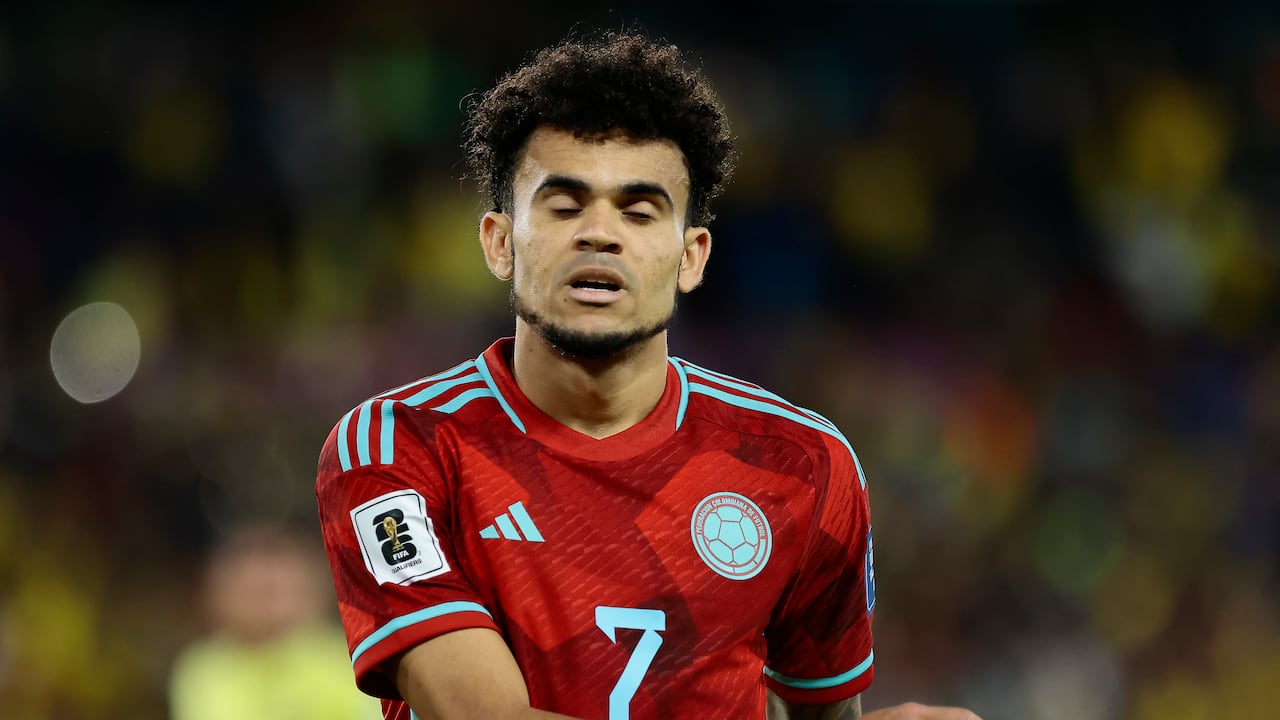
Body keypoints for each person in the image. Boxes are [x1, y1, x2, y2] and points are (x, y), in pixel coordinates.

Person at [315, 32, 981, 720]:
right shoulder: (399, 448)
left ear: (691, 258)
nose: (600, 233)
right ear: (498, 242)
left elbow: (821, 713)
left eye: (639, 211)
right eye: (564, 204)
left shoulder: (804, 464)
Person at [169, 526, 381, 720]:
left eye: (272, 592)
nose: (263, 608)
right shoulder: (203, 667)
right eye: (249, 593)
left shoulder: (348, 658)